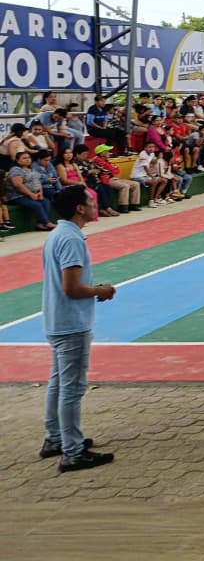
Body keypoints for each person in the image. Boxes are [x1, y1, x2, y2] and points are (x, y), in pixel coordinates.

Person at [40, 186, 117, 471]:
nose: (95, 204)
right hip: (71, 323)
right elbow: (71, 287)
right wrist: (100, 290)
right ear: (79, 208)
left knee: (58, 382)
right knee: (71, 388)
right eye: (89, 201)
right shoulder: (71, 239)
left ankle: (55, 438)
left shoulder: (57, 234)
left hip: (57, 319)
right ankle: (72, 451)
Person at [7, 150, 55, 230]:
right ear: (17, 160)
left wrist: (40, 192)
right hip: (17, 196)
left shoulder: (32, 169)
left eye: (29, 157)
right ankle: (47, 223)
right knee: (37, 205)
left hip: (32, 194)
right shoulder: (15, 170)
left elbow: (37, 181)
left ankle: (40, 224)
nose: (27, 159)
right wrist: (30, 194)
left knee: (46, 202)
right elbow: (18, 185)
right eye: (24, 158)